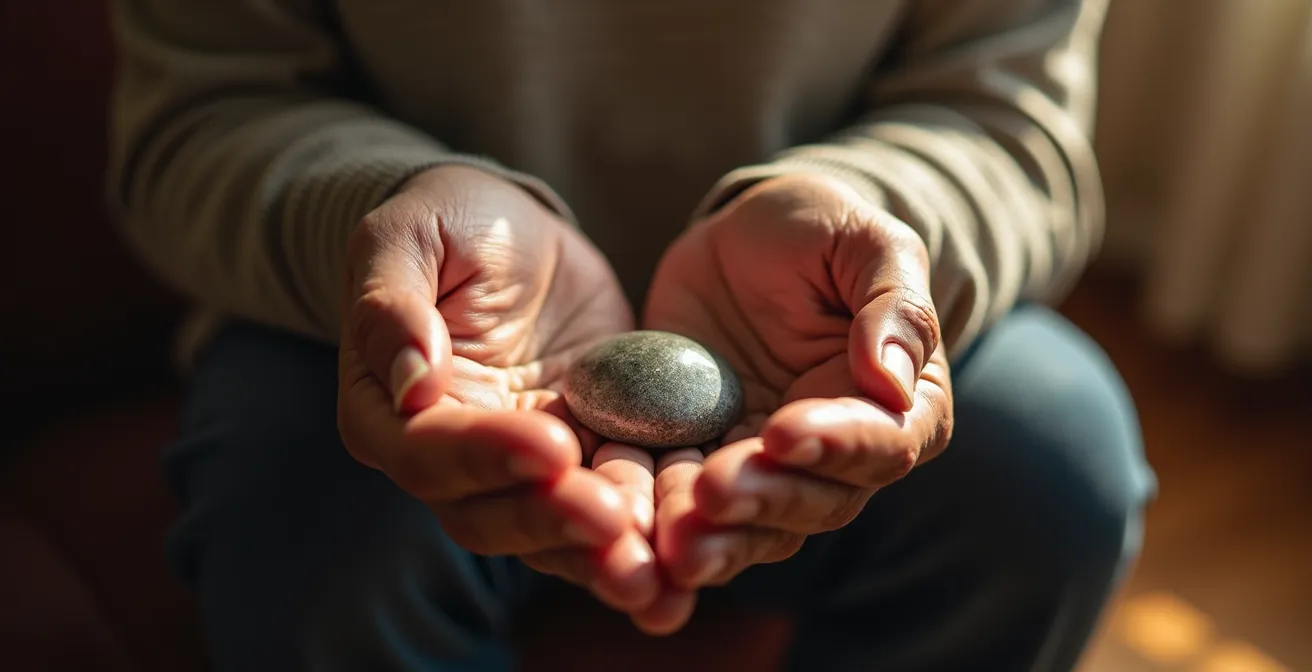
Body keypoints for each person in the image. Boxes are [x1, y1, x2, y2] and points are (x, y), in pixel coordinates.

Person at [108, 0, 1156, 669]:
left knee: (1057, 465)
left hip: (810, 330)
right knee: (299, 518)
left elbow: (1010, 128)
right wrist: (382, 212)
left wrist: (868, 223)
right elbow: (200, 116)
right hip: (397, 328)